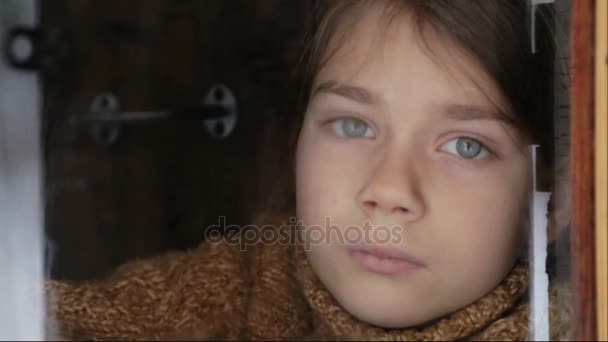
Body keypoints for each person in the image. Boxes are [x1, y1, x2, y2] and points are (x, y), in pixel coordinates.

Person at [45, 0, 572, 340]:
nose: (388, 189)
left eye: (466, 145)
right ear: (295, 140)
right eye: (353, 126)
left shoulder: (574, 327)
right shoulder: (249, 278)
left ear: (554, 201)